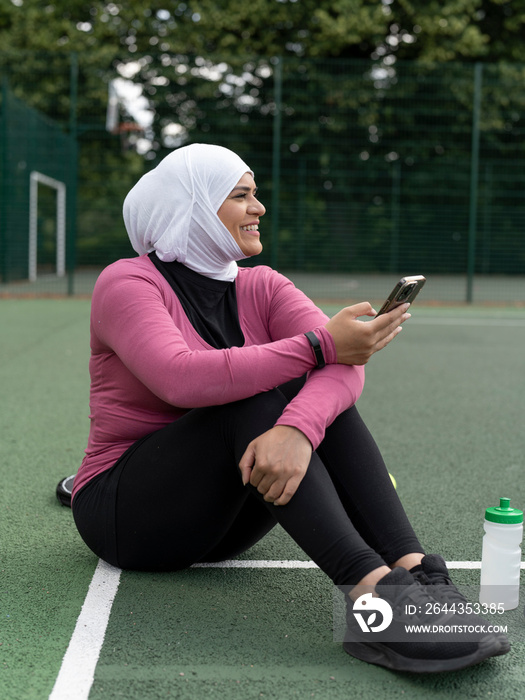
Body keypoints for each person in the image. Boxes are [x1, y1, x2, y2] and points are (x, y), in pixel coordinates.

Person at [67, 143, 509, 673]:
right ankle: (374, 600)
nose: (260, 208)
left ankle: (418, 577)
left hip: (225, 520)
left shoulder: (263, 285)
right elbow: (180, 377)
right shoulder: (128, 282)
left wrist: (299, 428)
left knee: (315, 401)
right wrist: (320, 346)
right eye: (242, 195)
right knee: (251, 395)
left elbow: (346, 368)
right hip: (127, 515)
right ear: (193, 208)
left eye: (256, 195)